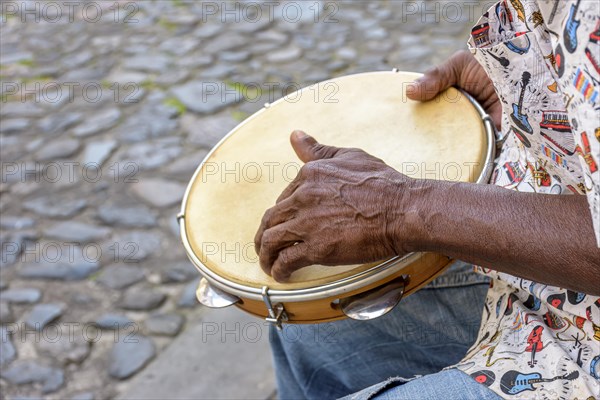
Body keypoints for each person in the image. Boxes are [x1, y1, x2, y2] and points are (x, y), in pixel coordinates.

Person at [254, 0, 600, 399]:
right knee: (310, 326)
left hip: (585, 344)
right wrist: (526, 80)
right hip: (554, 263)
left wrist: (401, 208)